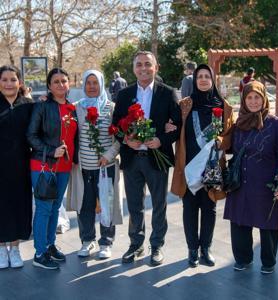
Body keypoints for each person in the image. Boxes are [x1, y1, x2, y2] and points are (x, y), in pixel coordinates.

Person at [112, 50, 181, 266]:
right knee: (134, 204)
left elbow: (177, 126)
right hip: (132, 158)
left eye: (147, 64)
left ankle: (157, 245)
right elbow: (115, 127)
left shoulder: (168, 93)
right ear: (133, 69)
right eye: (139, 64)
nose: (143, 68)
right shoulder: (124, 95)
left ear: (156, 67)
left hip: (157, 158)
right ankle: (136, 244)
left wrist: (161, 139)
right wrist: (126, 140)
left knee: (159, 204)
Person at [171, 64, 234, 268]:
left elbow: (230, 136)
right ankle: (192, 249)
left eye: (207, 76)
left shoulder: (223, 106)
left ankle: (206, 248)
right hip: (189, 167)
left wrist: (222, 142)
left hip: (213, 166)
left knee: (210, 207)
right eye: (200, 76)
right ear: (195, 80)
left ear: (213, 79)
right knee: (189, 208)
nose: (204, 80)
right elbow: (174, 128)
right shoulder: (185, 105)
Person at [224, 80, 278, 274]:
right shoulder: (239, 122)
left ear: (263, 99)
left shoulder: (274, 123)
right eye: (249, 97)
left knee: (267, 223)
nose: (253, 101)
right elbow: (229, 149)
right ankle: (243, 258)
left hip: (265, 183)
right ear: (244, 100)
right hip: (240, 182)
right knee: (240, 221)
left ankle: (268, 261)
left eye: (257, 97)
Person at [67, 69, 122, 259]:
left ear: (102, 84)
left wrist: (109, 155)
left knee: (107, 204)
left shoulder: (111, 107)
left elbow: (119, 137)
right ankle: (87, 240)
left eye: (95, 83)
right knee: (85, 205)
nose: (91, 86)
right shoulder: (76, 107)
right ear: (83, 85)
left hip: (106, 166)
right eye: (88, 83)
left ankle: (106, 242)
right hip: (83, 168)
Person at [27, 68, 78, 270]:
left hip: (65, 167)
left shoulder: (72, 108)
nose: (60, 85)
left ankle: (50, 245)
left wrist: (73, 158)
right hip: (43, 164)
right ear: (49, 86)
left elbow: (74, 137)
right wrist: (50, 151)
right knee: (44, 208)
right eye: (55, 81)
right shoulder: (42, 107)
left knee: (56, 208)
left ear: (69, 84)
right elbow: (31, 135)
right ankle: (39, 253)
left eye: (64, 81)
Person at [0, 65, 33, 269]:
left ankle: (16, 247)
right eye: (4, 79)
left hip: (21, 165)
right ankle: (2, 249)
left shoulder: (28, 105)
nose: (9, 83)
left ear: (20, 82)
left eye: (13, 79)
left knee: (20, 205)